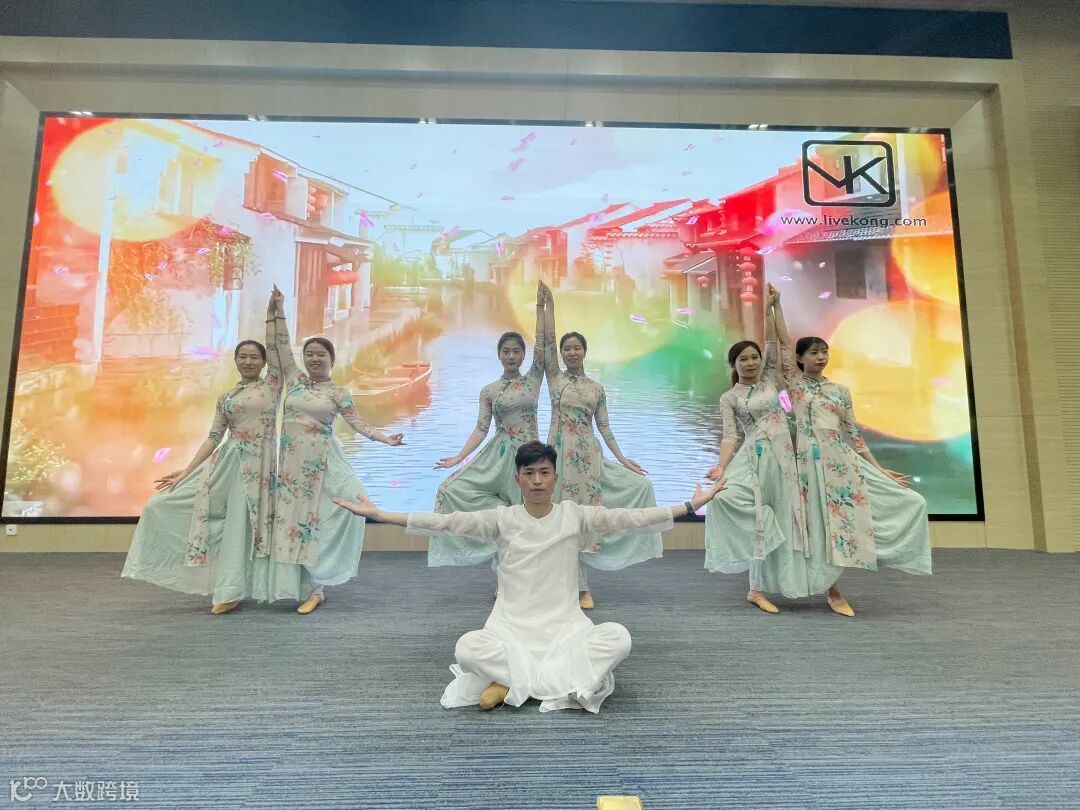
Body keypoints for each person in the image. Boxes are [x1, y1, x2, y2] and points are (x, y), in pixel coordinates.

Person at [334, 441, 726, 713]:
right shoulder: (502, 519)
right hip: (511, 628)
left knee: (619, 637)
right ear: (518, 479)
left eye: (544, 472)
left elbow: (630, 518)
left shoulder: (575, 515)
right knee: (467, 648)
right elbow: (447, 522)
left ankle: (511, 683)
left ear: (555, 477)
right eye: (529, 473)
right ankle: (550, 682)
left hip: (565, 627)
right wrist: (381, 515)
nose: (537, 480)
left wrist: (688, 506)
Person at [122, 289, 303, 613]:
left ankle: (235, 590)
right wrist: (186, 471)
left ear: (264, 363)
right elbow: (213, 437)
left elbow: (279, 346)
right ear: (236, 361)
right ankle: (228, 589)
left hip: (259, 467)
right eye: (243, 356)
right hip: (226, 463)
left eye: (254, 357)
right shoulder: (226, 397)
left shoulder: (272, 385)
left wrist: (275, 313)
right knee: (163, 505)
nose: (248, 361)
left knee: (246, 527)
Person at [773, 286, 932, 614]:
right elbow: (783, 345)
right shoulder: (795, 386)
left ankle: (832, 587)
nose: (821, 357)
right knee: (817, 524)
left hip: (840, 462)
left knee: (900, 504)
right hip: (806, 465)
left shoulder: (840, 391)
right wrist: (776, 306)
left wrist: (879, 469)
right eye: (813, 352)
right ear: (800, 359)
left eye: (824, 351)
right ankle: (832, 591)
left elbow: (853, 435)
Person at [268, 288, 405, 614]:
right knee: (292, 524)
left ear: (332, 360)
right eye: (310, 354)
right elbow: (281, 346)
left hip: (322, 464)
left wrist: (383, 438)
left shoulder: (338, 393)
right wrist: (277, 311)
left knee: (322, 520)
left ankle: (317, 588)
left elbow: (357, 422)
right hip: (290, 467)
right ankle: (303, 587)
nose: (315, 359)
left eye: (321, 355)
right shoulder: (294, 381)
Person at [539, 281, 662, 610]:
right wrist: (547, 307)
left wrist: (622, 458)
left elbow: (604, 427)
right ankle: (567, 586)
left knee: (587, 517)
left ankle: (580, 587)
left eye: (577, 348)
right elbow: (546, 341)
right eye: (567, 348)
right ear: (561, 354)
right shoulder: (554, 378)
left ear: (585, 352)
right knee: (560, 517)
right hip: (558, 455)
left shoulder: (596, 388)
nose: (571, 352)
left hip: (588, 456)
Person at [702, 293, 812, 615]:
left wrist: (771, 309)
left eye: (754, 357)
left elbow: (775, 344)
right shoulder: (729, 397)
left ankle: (779, 583)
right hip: (754, 457)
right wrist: (720, 466)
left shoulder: (772, 381)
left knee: (790, 516)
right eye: (743, 359)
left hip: (786, 457)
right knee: (733, 504)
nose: (750, 363)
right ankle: (755, 588)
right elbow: (730, 436)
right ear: (733, 365)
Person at [427, 282, 547, 569]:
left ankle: (529, 573)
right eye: (506, 351)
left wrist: (541, 308)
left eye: (516, 351)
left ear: (524, 354)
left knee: (528, 512)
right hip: (499, 455)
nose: (511, 356)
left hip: (529, 455)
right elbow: (481, 429)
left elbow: (543, 344)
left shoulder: (532, 379)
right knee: (451, 489)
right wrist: (459, 457)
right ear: (499, 355)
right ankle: (503, 573)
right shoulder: (489, 391)